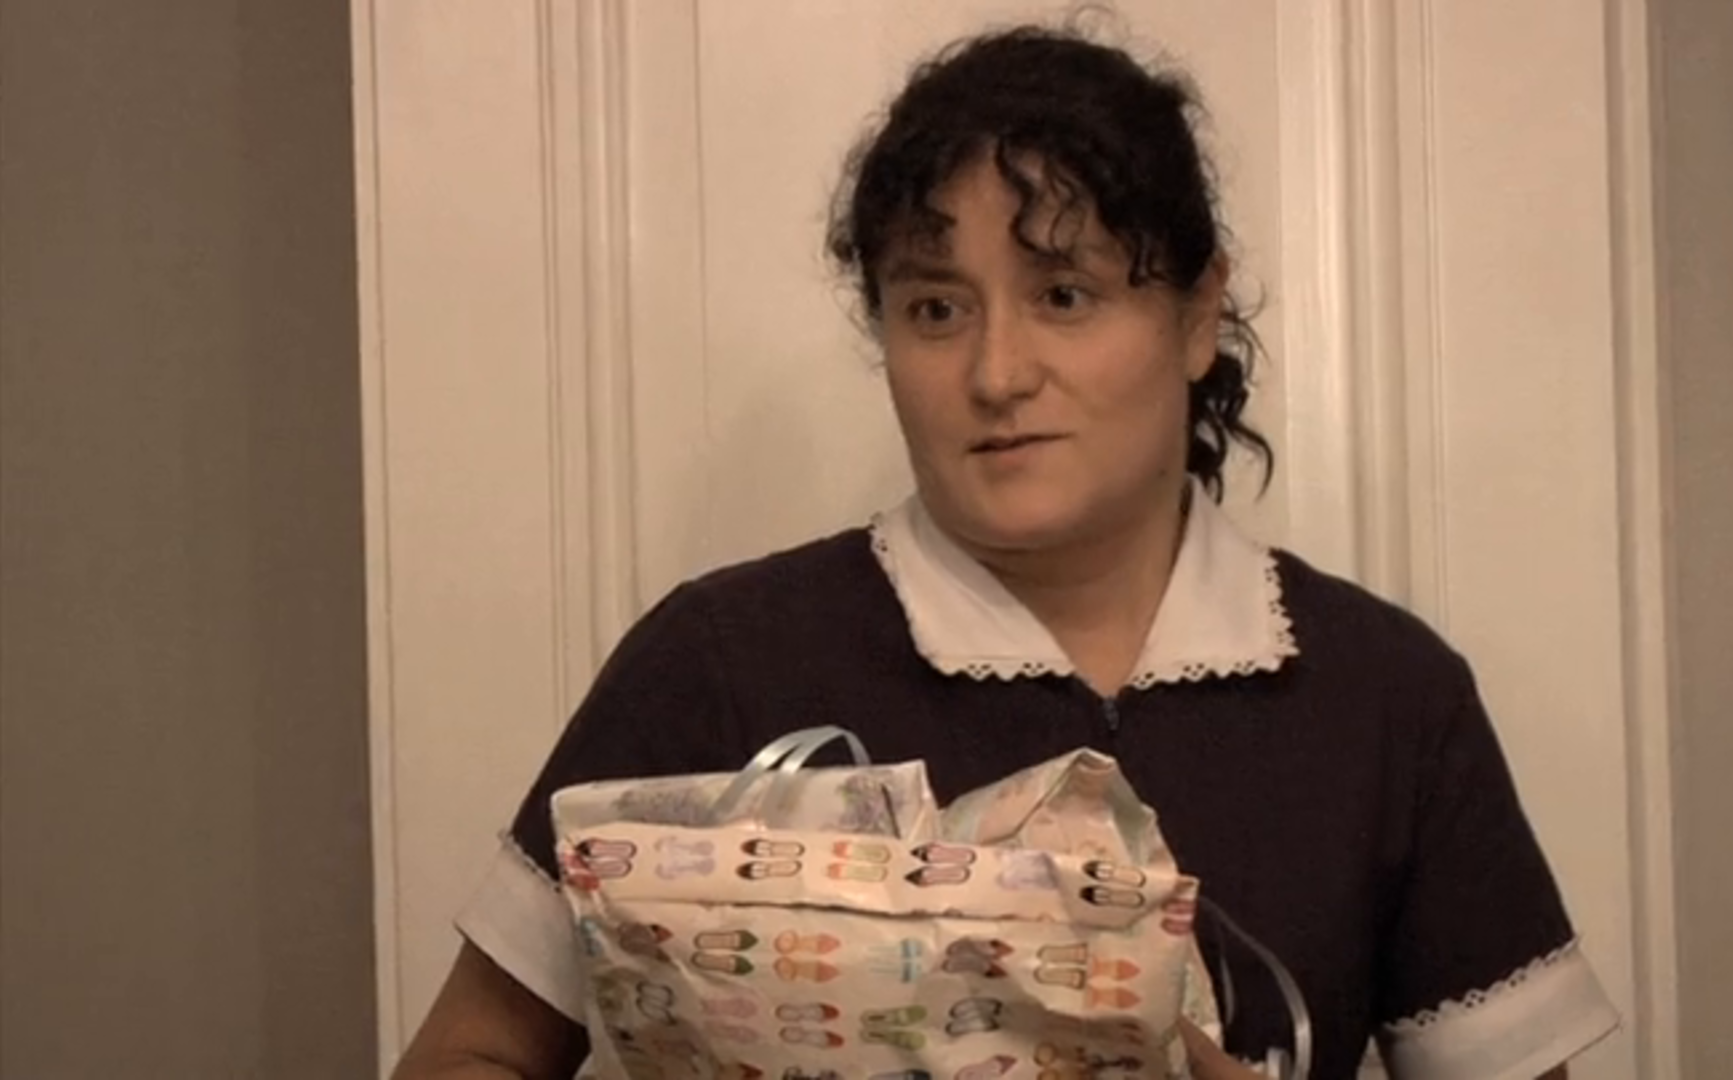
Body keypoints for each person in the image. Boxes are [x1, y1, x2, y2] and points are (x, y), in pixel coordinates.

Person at [393, 23, 1619, 1080]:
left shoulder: (1385, 698)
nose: (996, 372)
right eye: (936, 308)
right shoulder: (720, 661)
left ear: (1198, 315)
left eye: (1064, 295)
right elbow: (471, 1051)